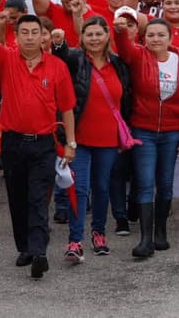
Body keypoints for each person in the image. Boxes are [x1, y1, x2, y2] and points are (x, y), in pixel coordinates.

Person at [0, 0, 77, 279]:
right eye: (24, 32)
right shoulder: (7, 59)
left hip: (43, 143)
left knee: (38, 198)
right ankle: (26, 248)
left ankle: (40, 251)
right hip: (12, 142)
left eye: (36, 32)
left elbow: (67, 107)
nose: (30, 37)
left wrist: (70, 142)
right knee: (17, 197)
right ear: (15, 36)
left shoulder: (57, 67)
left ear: (44, 36)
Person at [112, 14, 179, 255]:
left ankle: (161, 233)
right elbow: (123, 47)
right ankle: (146, 239)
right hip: (144, 130)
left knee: (166, 184)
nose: (156, 39)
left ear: (171, 38)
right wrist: (119, 31)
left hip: (172, 132)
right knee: (145, 183)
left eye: (161, 35)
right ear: (144, 38)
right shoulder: (138, 56)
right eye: (150, 35)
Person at [50, 16, 131, 262]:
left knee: (102, 188)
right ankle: (75, 240)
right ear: (82, 37)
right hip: (79, 140)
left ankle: (99, 233)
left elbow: (126, 98)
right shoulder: (76, 60)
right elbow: (60, 57)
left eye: (99, 34)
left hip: (108, 139)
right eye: (89, 34)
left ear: (107, 35)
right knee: (79, 189)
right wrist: (58, 44)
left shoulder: (118, 63)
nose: (94, 39)